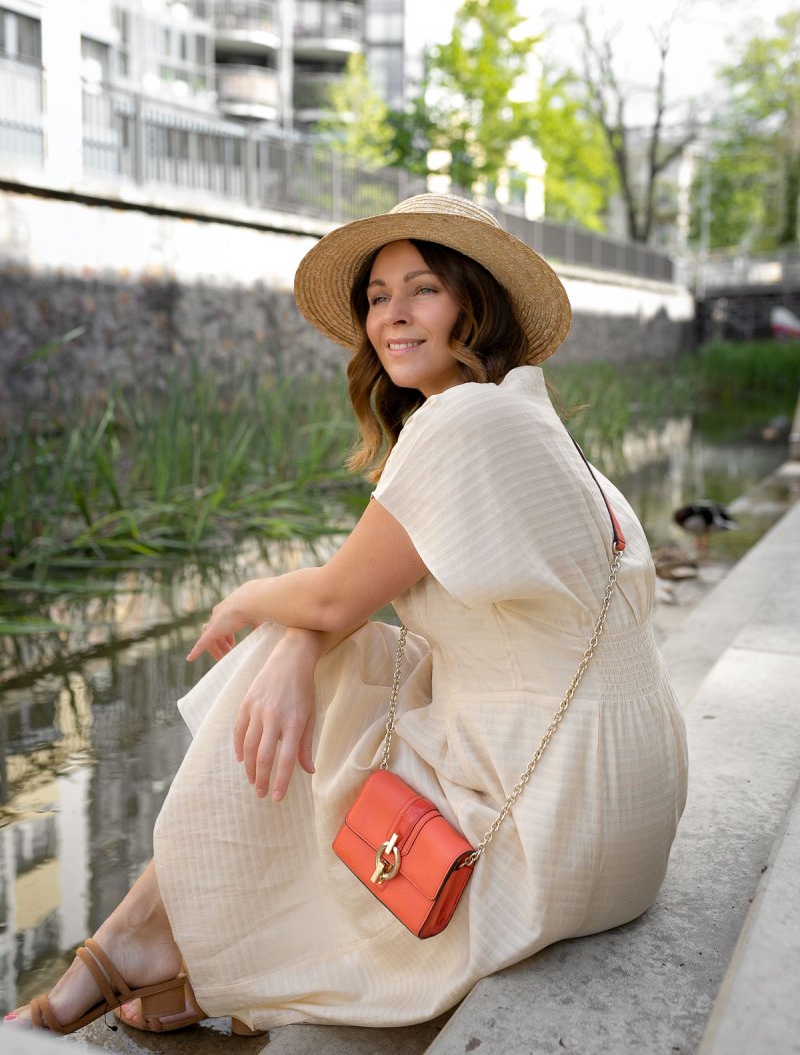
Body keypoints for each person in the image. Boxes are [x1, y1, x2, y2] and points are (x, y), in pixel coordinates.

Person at [6, 193, 688, 1037]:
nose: (391, 316)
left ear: (476, 305)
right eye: (376, 296)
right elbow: (347, 600)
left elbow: (332, 596)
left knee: (307, 659)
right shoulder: (533, 421)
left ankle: (134, 942)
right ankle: (162, 945)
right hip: (628, 814)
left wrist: (251, 604)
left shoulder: (465, 420)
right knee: (315, 655)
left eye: (423, 289)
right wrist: (300, 641)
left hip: (553, 825)